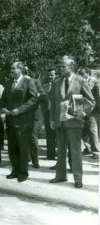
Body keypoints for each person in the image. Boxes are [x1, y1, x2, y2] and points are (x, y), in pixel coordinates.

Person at [49, 55, 95, 188]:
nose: (60, 68)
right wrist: (52, 119)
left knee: (75, 151)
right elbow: (53, 103)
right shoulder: (57, 82)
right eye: (60, 66)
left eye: (63, 66)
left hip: (74, 122)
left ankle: (78, 179)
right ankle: (61, 175)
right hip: (60, 121)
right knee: (61, 150)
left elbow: (91, 101)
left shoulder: (80, 80)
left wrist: (80, 112)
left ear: (71, 67)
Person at [1, 62, 37, 182]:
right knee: (12, 147)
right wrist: (3, 108)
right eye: (11, 68)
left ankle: (23, 172)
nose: (11, 70)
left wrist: (20, 110)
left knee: (22, 147)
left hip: (23, 121)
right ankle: (14, 170)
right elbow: (3, 99)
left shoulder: (28, 81)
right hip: (10, 120)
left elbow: (33, 99)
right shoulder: (9, 82)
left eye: (13, 68)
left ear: (20, 69)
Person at [23, 66, 46, 169]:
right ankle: (25, 157)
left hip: (34, 114)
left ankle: (35, 160)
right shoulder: (19, 83)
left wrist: (34, 97)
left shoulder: (36, 82)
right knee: (23, 137)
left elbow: (43, 96)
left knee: (32, 138)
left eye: (26, 72)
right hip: (22, 114)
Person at [78, 67, 99, 158]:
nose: (80, 75)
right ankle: (87, 148)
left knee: (92, 129)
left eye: (82, 73)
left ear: (87, 73)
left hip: (93, 110)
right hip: (82, 109)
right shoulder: (79, 82)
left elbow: (98, 97)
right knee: (84, 130)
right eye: (79, 73)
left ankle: (96, 152)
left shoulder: (95, 82)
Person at [42, 68, 57, 160]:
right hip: (47, 112)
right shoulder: (44, 86)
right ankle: (50, 154)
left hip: (57, 113)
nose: (50, 77)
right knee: (49, 133)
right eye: (49, 75)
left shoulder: (59, 85)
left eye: (52, 75)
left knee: (59, 134)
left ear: (56, 75)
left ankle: (60, 153)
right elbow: (41, 99)